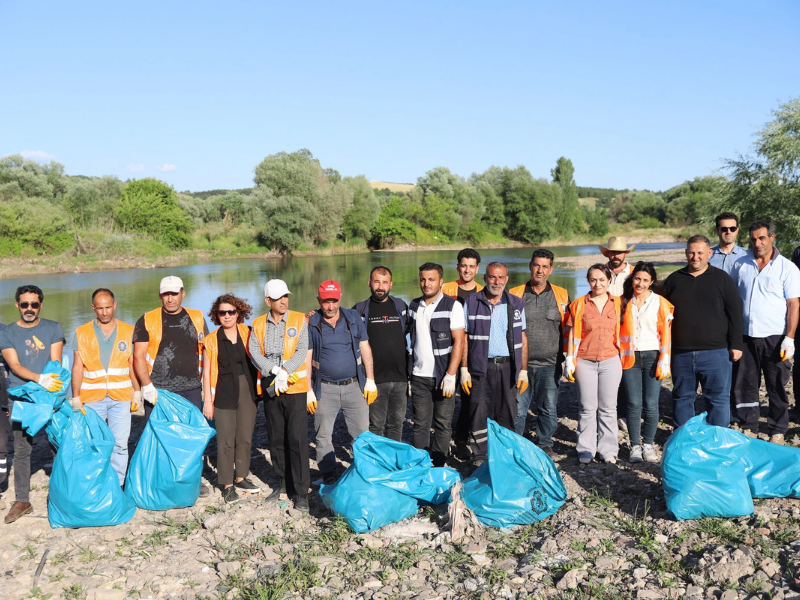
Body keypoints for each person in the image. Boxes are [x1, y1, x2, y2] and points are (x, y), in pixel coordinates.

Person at [132, 275, 211, 496]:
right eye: (166, 294)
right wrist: (146, 386)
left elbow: (208, 350)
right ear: (160, 295)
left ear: (182, 293)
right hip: (159, 390)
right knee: (158, 437)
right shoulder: (146, 320)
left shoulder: (196, 317)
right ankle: (160, 481)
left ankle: (193, 480)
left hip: (191, 387)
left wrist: (209, 388)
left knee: (192, 436)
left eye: (174, 293)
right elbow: (138, 357)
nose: (170, 299)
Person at [729, 221, 800, 445]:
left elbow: (794, 305)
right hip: (746, 336)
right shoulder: (741, 264)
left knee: (777, 384)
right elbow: (731, 298)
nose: (757, 243)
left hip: (775, 337)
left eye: (762, 238)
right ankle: (748, 424)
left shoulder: (787, 268)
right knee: (745, 384)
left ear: (772, 238)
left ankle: (777, 428)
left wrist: (789, 337)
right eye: (753, 239)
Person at [0, 285, 65, 523]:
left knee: (57, 445)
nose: (29, 309)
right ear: (17, 305)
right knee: (21, 451)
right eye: (24, 304)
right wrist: (39, 379)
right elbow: (14, 366)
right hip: (22, 399)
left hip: (49, 396)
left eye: (34, 304)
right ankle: (22, 500)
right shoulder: (6, 333)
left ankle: (62, 493)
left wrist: (50, 386)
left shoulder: (53, 328)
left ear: (40, 305)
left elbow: (55, 362)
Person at [662, 236, 743, 428]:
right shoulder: (674, 280)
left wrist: (736, 345)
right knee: (682, 398)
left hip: (716, 352)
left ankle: (717, 441)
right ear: (685, 253)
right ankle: (684, 441)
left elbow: (735, 314)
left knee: (718, 399)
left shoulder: (722, 279)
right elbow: (662, 316)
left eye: (700, 253)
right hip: (681, 352)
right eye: (691, 252)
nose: (695, 257)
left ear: (709, 253)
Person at [248, 280, 311, 511]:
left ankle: (302, 491)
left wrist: (285, 371)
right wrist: (274, 371)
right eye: (278, 298)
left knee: (296, 438)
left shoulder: (298, 319)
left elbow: (302, 349)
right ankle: (283, 483)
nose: (284, 301)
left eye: (285, 296)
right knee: (276, 438)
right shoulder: (257, 324)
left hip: (294, 387)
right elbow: (254, 353)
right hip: (270, 385)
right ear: (268, 301)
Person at [308, 280, 377, 485]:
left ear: (340, 298)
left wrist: (370, 380)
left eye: (334, 301)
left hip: (354, 385)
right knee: (323, 434)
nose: (331, 306)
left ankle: (363, 470)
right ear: (319, 300)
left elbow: (365, 348)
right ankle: (329, 473)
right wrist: (308, 390)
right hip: (325, 388)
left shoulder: (353, 317)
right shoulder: (311, 323)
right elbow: (307, 357)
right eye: (326, 302)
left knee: (362, 433)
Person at [70, 288, 141, 486]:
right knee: (95, 443)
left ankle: (118, 484)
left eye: (108, 307)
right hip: (92, 398)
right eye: (100, 308)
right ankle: (98, 482)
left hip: (121, 396)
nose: (104, 312)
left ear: (114, 305)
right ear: (93, 308)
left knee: (119, 442)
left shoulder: (128, 331)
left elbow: (132, 364)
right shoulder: (81, 332)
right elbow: (77, 366)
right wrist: (75, 397)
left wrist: (137, 391)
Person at [462, 262, 528, 467]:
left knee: (507, 411)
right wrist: (463, 368)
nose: (496, 282)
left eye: (500, 278)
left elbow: (523, 337)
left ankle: (505, 454)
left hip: (509, 367)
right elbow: (464, 336)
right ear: (485, 278)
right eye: (492, 277)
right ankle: (480, 457)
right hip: (480, 367)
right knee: (479, 410)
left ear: (506, 279)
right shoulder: (472, 302)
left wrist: (523, 370)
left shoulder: (516, 303)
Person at [508, 249, 570, 457]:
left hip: (550, 364)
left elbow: (569, 329)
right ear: (530, 266)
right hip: (520, 366)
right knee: (518, 409)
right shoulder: (514, 293)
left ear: (551, 269)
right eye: (536, 265)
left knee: (548, 408)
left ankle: (545, 443)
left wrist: (569, 358)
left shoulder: (561, 294)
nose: (540, 270)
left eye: (545, 266)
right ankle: (516, 444)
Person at [202, 294, 260, 505]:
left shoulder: (249, 332)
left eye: (231, 312)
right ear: (216, 315)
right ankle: (226, 485)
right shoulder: (211, 340)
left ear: (239, 313)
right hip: (223, 392)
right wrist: (208, 400)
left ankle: (241, 477)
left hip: (248, 390)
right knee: (225, 440)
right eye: (222, 313)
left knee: (244, 437)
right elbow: (207, 373)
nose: (227, 316)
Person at [408, 263, 465, 466]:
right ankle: (421, 463)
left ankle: (439, 462)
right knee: (421, 423)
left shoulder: (453, 306)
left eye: (431, 279)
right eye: (423, 279)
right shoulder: (414, 306)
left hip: (443, 376)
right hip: (419, 376)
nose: (426, 283)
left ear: (441, 281)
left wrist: (451, 374)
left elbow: (459, 341)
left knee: (442, 423)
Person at [565, 265, 623, 465]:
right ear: (588, 281)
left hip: (610, 360)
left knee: (608, 408)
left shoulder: (618, 304)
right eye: (593, 280)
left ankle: (608, 451)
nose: (597, 284)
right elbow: (573, 333)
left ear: (609, 281)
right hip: (585, 361)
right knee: (587, 407)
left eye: (602, 280)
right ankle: (586, 450)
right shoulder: (579, 304)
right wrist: (569, 359)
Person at [619, 263, 674, 463]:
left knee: (651, 403)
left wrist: (665, 359)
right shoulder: (623, 302)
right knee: (633, 403)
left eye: (645, 280)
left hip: (653, 356)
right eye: (637, 279)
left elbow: (666, 333)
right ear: (632, 279)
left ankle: (648, 445)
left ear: (651, 282)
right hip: (629, 357)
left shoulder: (660, 303)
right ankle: (634, 446)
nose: (640, 283)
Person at [353, 266, 409, 441]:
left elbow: (411, 332)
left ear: (390, 284)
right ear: (369, 283)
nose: (380, 286)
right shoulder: (360, 310)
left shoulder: (400, 306)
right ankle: (378, 463)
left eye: (385, 282)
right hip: (374, 380)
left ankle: (393, 461)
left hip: (400, 379)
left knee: (397, 425)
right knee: (376, 426)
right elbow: (337, 321)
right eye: (377, 281)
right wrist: (315, 314)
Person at [442, 248, 484, 457]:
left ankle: (461, 439)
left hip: (473, 353)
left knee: (469, 398)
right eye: (463, 265)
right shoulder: (445, 288)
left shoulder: (484, 291)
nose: (467, 270)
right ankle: (442, 438)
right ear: (457, 266)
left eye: (471, 266)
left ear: (477, 268)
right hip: (447, 352)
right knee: (445, 397)